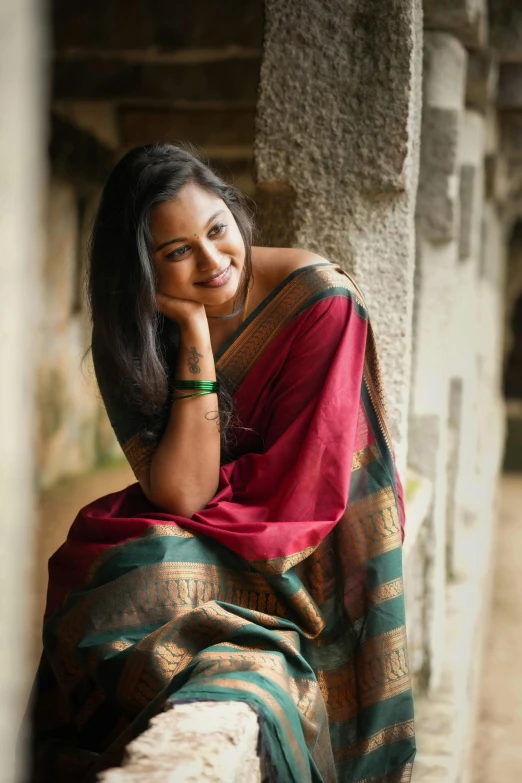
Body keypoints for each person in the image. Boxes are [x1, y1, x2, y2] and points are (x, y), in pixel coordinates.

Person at [30, 143, 416, 782]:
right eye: (176, 253)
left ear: (236, 215)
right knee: (94, 564)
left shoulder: (320, 303)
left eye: (218, 230)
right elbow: (183, 490)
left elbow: (301, 488)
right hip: (210, 521)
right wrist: (195, 339)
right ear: (141, 275)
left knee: (131, 567)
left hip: (307, 546)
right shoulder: (130, 337)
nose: (212, 261)